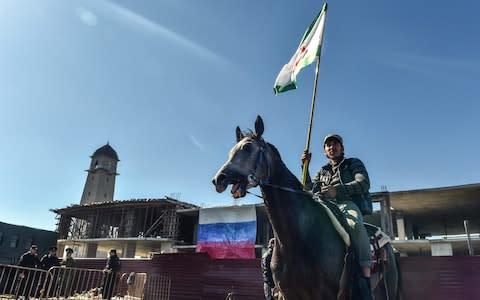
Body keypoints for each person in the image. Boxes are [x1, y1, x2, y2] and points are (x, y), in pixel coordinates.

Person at [301, 134, 373, 300]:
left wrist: (338, 191)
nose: (331, 147)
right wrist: (304, 166)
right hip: (324, 205)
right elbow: (308, 188)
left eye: (335, 144)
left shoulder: (353, 163)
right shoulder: (322, 171)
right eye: (328, 145)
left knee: (354, 225)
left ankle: (365, 273)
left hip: (346, 203)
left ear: (341, 148)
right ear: (325, 151)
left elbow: (364, 182)